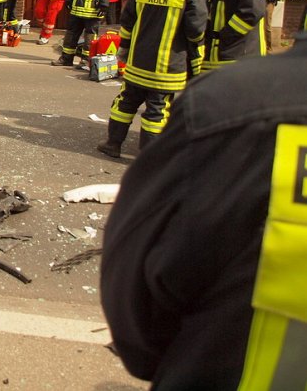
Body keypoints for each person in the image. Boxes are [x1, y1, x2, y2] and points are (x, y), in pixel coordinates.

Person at [101, 30, 307, 389]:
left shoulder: (234, 105)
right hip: (170, 65)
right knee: (152, 108)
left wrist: (162, 359)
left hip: (214, 374)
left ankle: (116, 141)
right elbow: (196, 25)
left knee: (134, 103)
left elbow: (136, 271)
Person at [96, 0, 207, 157]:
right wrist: (196, 61)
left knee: (125, 102)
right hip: (166, 67)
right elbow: (196, 30)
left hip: (137, 62)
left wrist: (124, 50)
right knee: (157, 111)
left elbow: (127, 21)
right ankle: (148, 157)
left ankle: (113, 144)